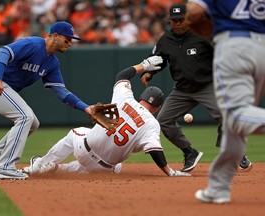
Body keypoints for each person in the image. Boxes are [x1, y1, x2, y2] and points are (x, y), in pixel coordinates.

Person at [21, 56, 191, 177]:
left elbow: (121, 76)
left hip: (84, 150)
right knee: (117, 166)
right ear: (158, 107)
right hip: (105, 168)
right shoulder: (152, 125)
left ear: (142, 98)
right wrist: (169, 171)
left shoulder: (125, 99)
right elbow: (155, 150)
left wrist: (144, 65)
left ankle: (41, 165)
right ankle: (59, 169)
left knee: (76, 132)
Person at [0, 21, 108, 180]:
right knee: (25, 117)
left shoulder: (52, 62)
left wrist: (86, 108)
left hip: (5, 87)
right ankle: (5, 167)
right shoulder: (33, 44)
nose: (69, 43)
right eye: (66, 39)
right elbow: (4, 51)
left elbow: (62, 92)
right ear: (54, 36)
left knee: (33, 123)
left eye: (71, 40)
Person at [140, 3, 252, 172]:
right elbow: (158, 58)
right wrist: (150, 73)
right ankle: (189, 152)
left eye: (180, 20)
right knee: (163, 121)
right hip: (182, 89)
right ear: (170, 21)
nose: (177, 23)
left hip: (208, 86)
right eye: (174, 20)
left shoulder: (202, 35)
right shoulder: (166, 40)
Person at [186, 0, 265, 203]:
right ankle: (218, 188)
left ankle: (218, 188)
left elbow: (193, 12)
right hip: (261, 47)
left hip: (235, 45)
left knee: (235, 115)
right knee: (235, 128)